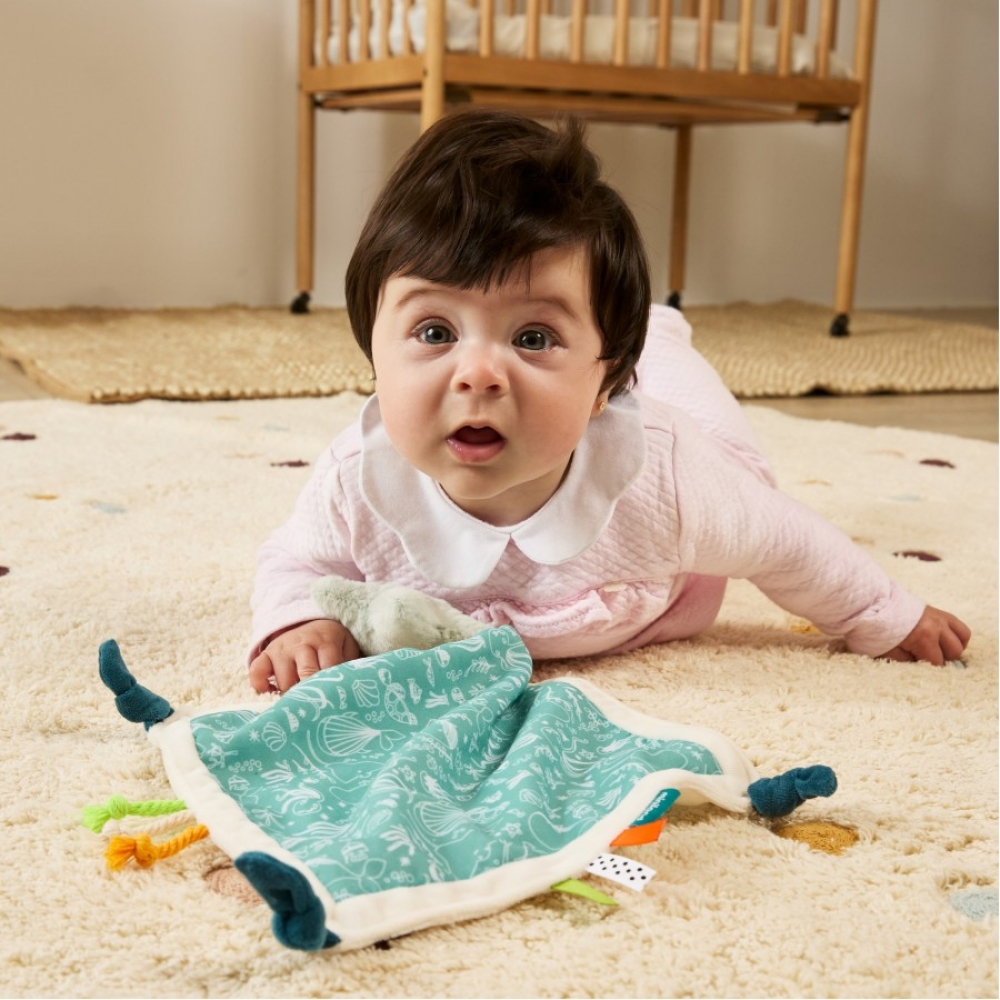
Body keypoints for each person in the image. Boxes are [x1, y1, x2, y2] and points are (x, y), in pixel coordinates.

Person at [248, 110, 970, 693]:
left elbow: (786, 543)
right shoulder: (358, 480)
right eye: (435, 331)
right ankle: (614, 333)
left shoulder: (668, 479)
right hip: (602, 373)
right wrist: (298, 622)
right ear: (373, 349)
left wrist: (886, 616)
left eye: (532, 337)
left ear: (606, 384)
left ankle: (653, 337)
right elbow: (294, 563)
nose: (479, 374)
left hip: (688, 473)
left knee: (716, 435)